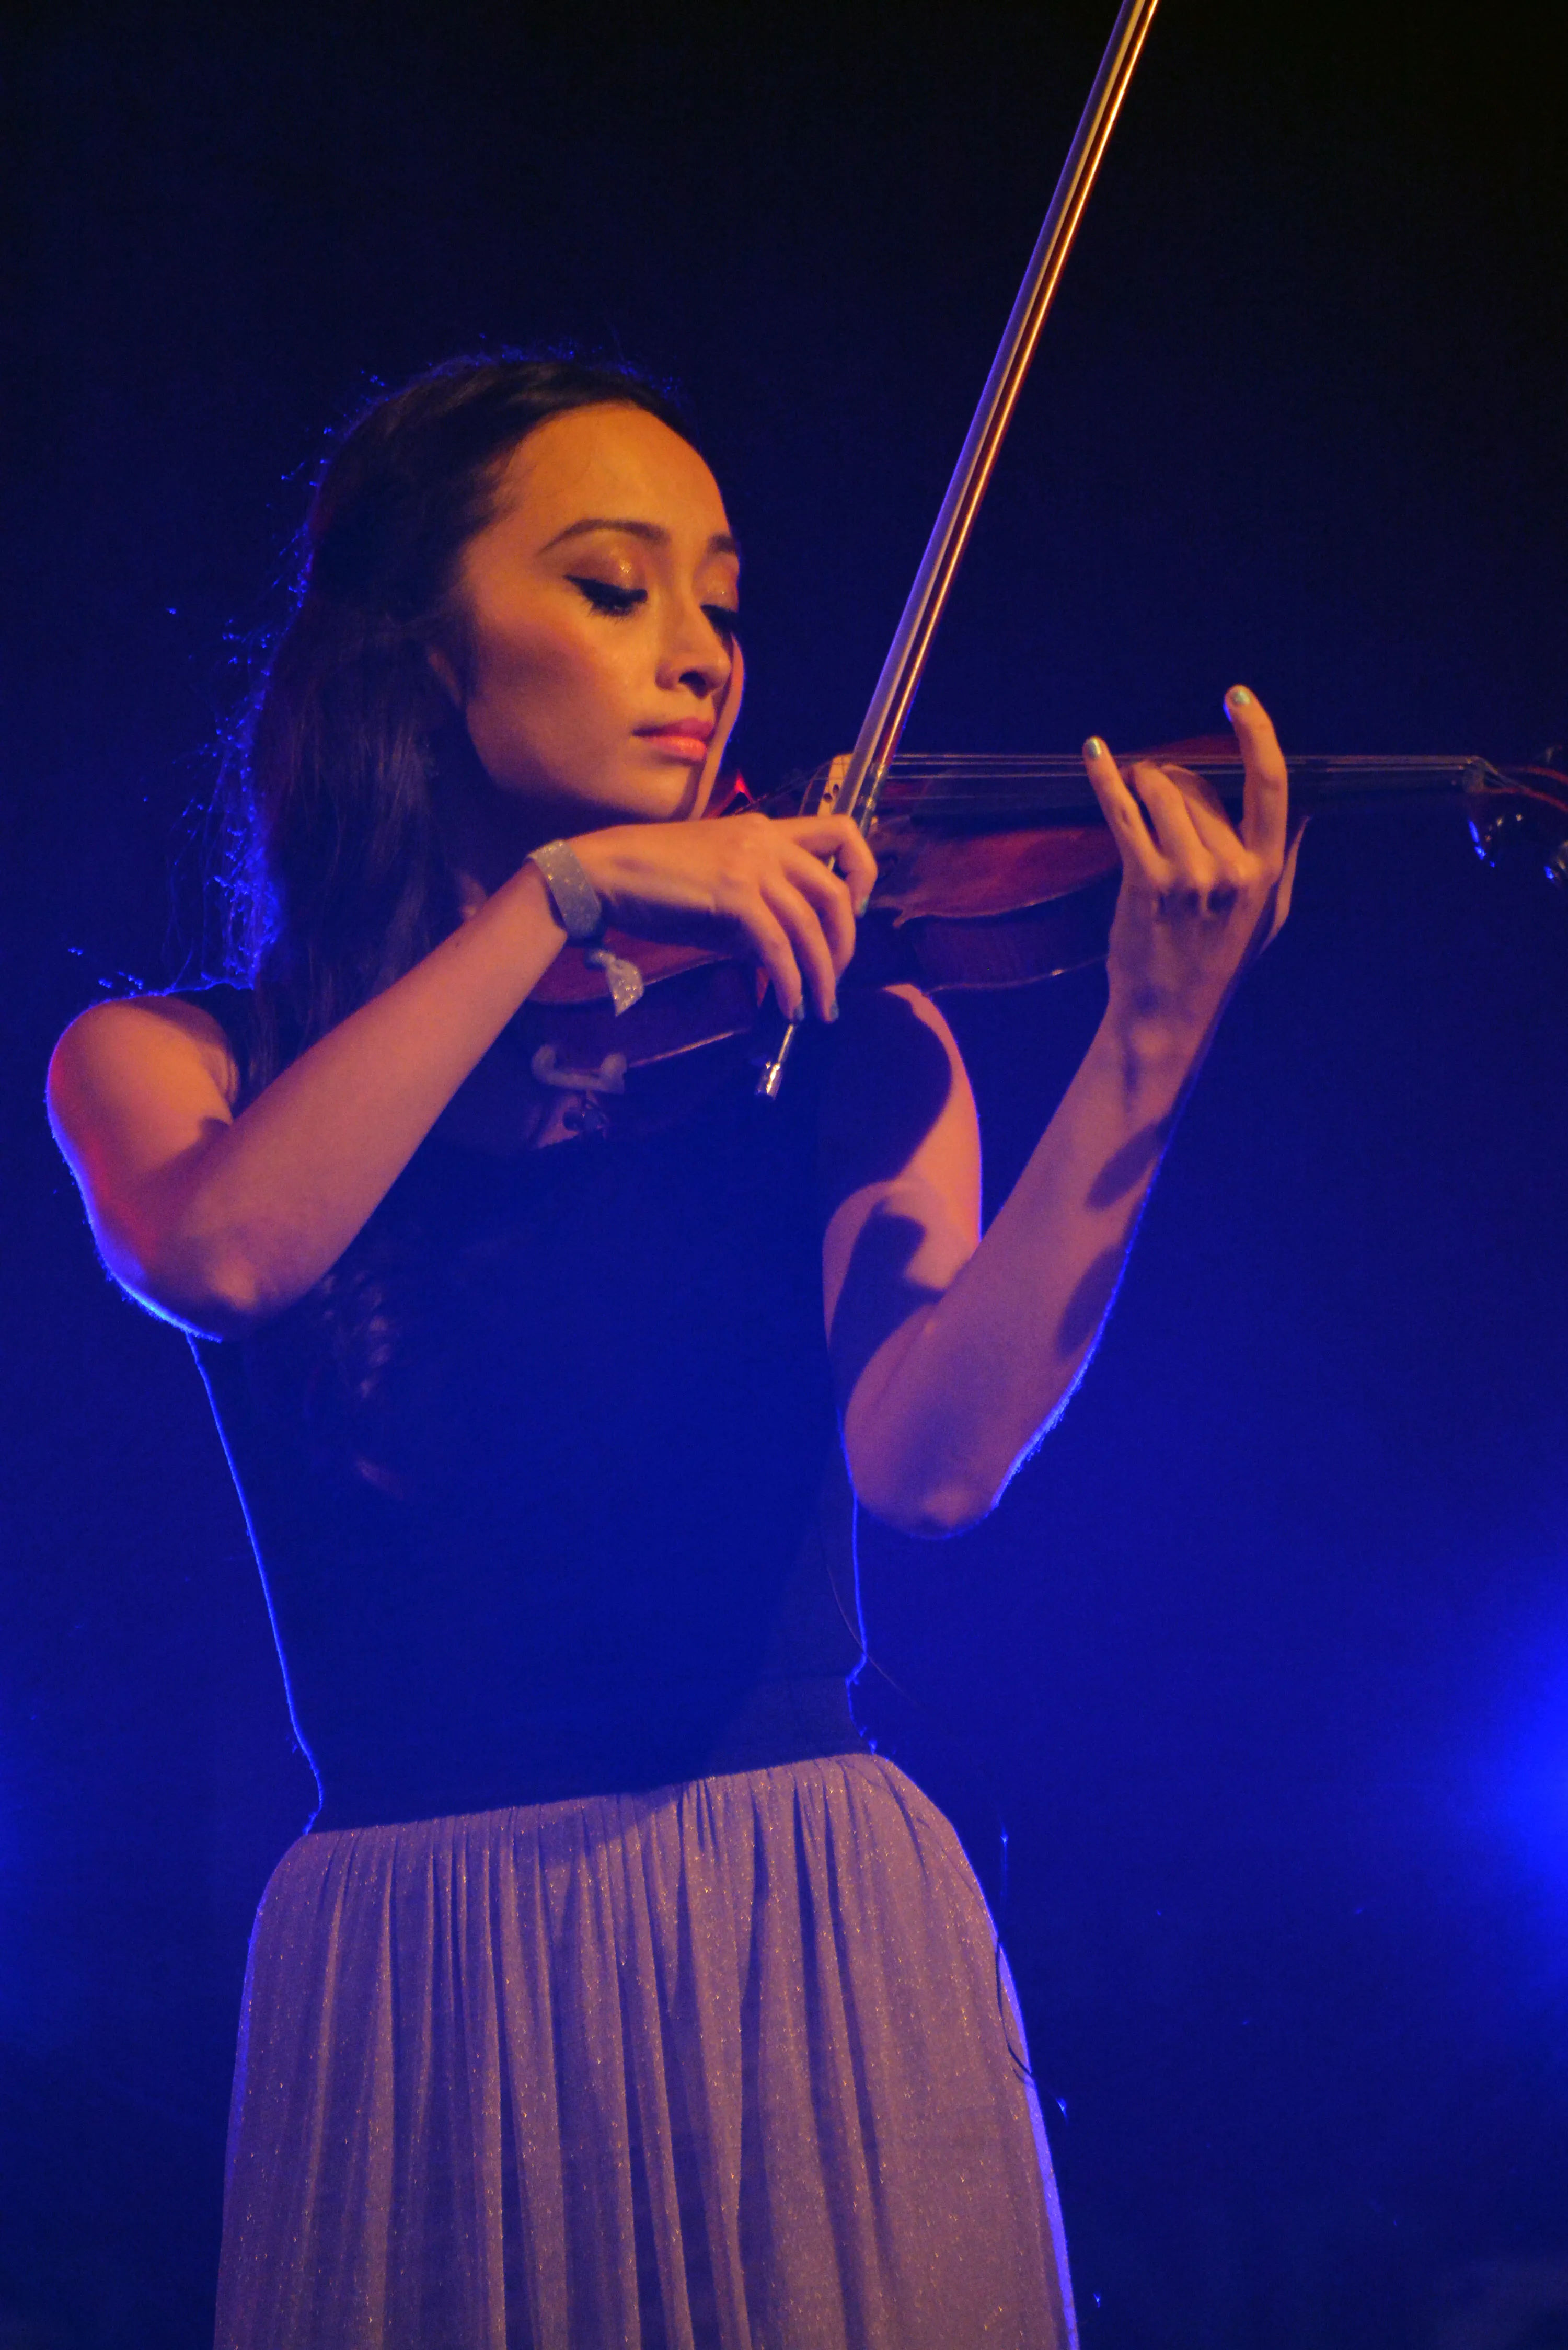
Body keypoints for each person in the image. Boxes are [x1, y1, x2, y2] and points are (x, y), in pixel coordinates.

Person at [47, 355, 1296, 2350]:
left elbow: (936, 1465)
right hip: (418, 1958)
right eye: (618, 589)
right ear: (422, 659)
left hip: (798, 1912)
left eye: (721, 599)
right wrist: (563, 898)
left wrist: (1150, 1042)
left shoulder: (847, 1042)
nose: (704, 657)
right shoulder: (178, 1064)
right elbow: (230, 1253)